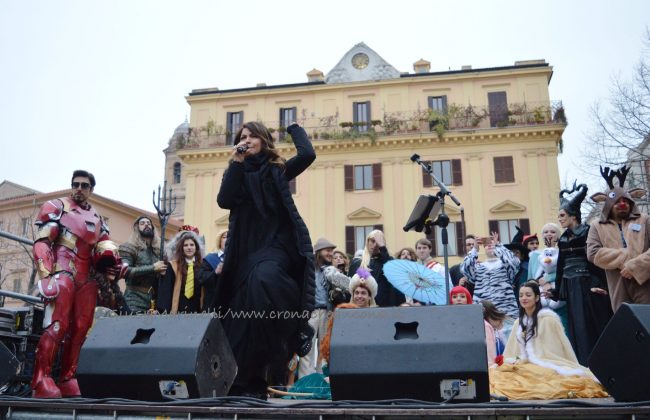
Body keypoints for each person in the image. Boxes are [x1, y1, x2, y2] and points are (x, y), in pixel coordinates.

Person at [216, 121, 316, 399]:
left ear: (263, 140)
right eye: (242, 137)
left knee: (265, 279)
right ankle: (248, 383)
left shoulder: (276, 170)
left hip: (277, 247)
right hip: (246, 253)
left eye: (252, 136)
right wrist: (236, 162)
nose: (246, 140)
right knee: (243, 318)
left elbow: (307, 155)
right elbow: (224, 200)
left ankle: (297, 326)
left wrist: (293, 127)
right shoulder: (236, 172)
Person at [31, 170, 125, 398]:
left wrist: (116, 266)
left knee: (82, 328)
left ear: (91, 190)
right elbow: (42, 242)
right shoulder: (57, 206)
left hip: (86, 276)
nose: (79, 188)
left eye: (84, 185)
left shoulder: (97, 218)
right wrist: (46, 274)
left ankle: (67, 377)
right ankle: (41, 378)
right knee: (57, 324)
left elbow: (104, 248)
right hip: (62, 269)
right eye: (76, 184)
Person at [489, 282, 608, 400]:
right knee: (498, 375)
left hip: (545, 362)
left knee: (543, 378)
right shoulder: (518, 323)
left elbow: (553, 352)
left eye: (528, 295)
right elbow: (512, 351)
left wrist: (535, 359)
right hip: (524, 363)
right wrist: (515, 361)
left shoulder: (548, 319)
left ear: (537, 298)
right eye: (521, 295)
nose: (524, 298)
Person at [548, 183, 612, 365]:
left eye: (562, 215)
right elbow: (561, 266)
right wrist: (557, 291)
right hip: (571, 286)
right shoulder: (563, 238)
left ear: (573, 216)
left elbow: (596, 259)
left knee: (596, 323)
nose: (559, 219)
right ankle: (585, 364)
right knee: (579, 327)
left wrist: (602, 284)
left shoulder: (589, 232)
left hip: (589, 284)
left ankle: (604, 364)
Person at [587, 166, 650, 310]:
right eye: (617, 202)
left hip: (645, 282)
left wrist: (635, 266)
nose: (622, 205)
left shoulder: (644, 220)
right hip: (617, 284)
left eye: (626, 201)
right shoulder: (597, 225)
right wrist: (626, 258)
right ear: (609, 204)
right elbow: (593, 253)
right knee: (625, 320)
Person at [299, 237, 350, 378]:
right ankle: (306, 381)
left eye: (332, 251)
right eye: (328, 250)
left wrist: (333, 275)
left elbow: (348, 286)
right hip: (310, 312)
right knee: (307, 348)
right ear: (318, 251)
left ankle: (322, 380)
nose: (331, 254)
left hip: (327, 312)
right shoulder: (307, 268)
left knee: (323, 349)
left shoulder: (330, 270)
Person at [461, 232, 520, 320]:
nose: (489, 245)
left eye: (491, 243)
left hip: (506, 311)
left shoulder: (505, 265)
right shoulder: (478, 267)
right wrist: (474, 249)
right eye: (486, 244)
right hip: (483, 313)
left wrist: (498, 245)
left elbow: (514, 262)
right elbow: (465, 268)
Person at [118, 216, 166, 313]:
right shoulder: (129, 247)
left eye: (148, 223)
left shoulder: (158, 251)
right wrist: (153, 268)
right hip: (134, 299)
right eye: (142, 223)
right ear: (137, 228)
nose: (146, 225)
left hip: (153, 301)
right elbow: (125, 271)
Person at [349, 230, 403, 307]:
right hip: (362, 308)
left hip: (385, 307)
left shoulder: (388, 261)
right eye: (372, 241)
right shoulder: (357, 263)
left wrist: (383, 248)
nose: (375, 245)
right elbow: (351, 289)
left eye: (378, 242)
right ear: (367, 242)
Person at [157, 226, 205, 313]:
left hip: (197, 308)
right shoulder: (173, 265)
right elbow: (167, 290)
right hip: (178, 308)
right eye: (185, 245)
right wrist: (164, 311)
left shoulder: (203, 265)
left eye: (192, 245)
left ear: (196, 247)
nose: (189, 247)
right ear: (181, 248)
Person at [198, 229, 228, 312]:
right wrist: (215, 272)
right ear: (219, 241)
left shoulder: (238, 259)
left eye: (230, 237)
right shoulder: (210, 258)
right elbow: (201, 278)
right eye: (224, 237)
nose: (227, 239)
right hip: (212, 304)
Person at [481, 300, 507, 368]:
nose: (501, 321)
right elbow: (490, 355)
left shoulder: (499, 330)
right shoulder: (486, 326)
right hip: (493, 368)